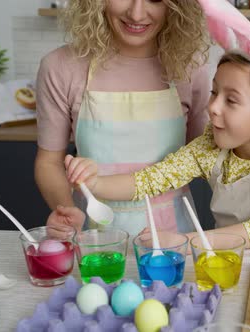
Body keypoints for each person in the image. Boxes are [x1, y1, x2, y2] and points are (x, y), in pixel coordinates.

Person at [63, 44, 250, 248]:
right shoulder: (211, 146)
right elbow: (151, 180)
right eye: (214, 92)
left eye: (231, 100)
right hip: (229, 254)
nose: (212, 107)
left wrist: (182, 242)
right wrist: (95, 184)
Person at [35, 0, 210, 236]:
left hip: (173, 238)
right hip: (93, 235)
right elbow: (49, 162)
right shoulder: (61, 66)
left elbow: (204, 158)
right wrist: (67, 211)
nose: (136, 13)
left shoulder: (190, 67)